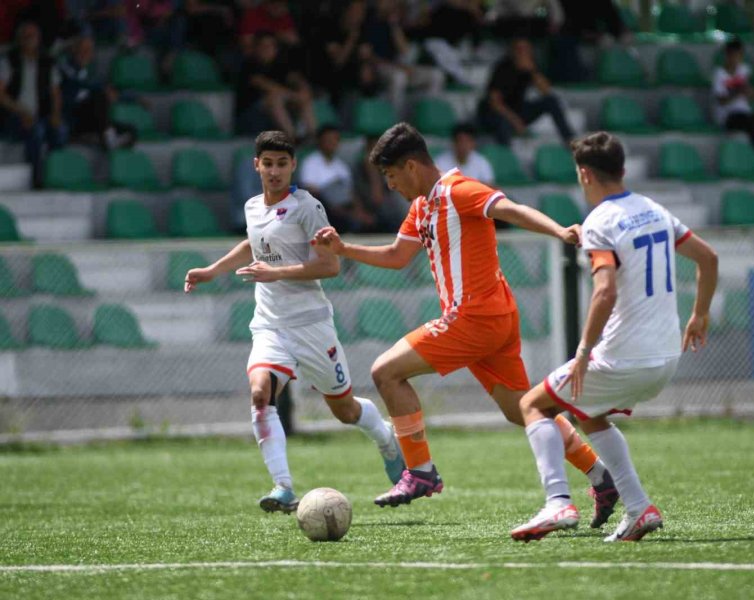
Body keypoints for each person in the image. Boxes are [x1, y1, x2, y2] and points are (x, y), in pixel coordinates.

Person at [313, 123, 621, 529]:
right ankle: (601, 475)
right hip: (493, 316)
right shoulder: (422, 207)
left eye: (390, 176)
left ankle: (420, 469)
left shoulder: (458, 190)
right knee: (522, 410)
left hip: (474, 317)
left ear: (410, 166)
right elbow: (395, 256)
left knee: (385, 372)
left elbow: (509, 208)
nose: (389, 186)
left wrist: (559, 231)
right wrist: (343, 248)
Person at [510, 131, 718, 543]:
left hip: (624, 356)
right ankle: (638, 508)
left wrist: (585, 349)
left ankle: (558, 502)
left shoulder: (600, 222)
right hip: (666, 356)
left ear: (585, 174)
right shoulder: (654, 209)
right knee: (588, 412)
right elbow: (708, 258)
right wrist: (700, 314)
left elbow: (605, 291)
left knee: (533, 405)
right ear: (622, 169)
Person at [184, 130, 405, 514]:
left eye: (282, 164)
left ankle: (386, 439)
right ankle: (283, 487)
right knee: (259, 394)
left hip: (312, 325)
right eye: (267, 164)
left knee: (345, 411)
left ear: (293, 166)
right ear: (256, 165)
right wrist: (212, 270)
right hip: (270, 325)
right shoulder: (254, 207)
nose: (274, 171)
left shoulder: (307, 207)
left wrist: (277, 272)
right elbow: (252, 243)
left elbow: (330, 265)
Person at [0, 21, 66, 186]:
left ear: (39, 39)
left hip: (41, 115)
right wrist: (21, 111)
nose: (29, 39)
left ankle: (56, 174)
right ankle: (37, 179)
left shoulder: (47, 61)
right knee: (36, 131)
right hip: (12, 116)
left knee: (60, 131)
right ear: (19, 39)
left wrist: (56, 115)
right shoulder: (9, 60)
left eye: (33, 35)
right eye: (26, 35)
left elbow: (55, 93)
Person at [477, 38, 574, 146]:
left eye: (526, 50)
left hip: (517, 108)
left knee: (551, 101)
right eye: (519, 49)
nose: (522, 53)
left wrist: (533, 71)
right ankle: (506, 155)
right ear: (512, 51)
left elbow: (546, 91)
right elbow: (495, 103)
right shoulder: (502, 68)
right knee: (502, 123)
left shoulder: (530, 66)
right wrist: (516, 121)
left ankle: (569, 139)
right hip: (496, 113)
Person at [363, 0, 444, 113]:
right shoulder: (369, 22)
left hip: (398, 65)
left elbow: (404, 50)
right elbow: (367, 56)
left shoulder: (394, 23)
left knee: (436, 75)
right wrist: (398, 66)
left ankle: (424, 116)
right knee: (399, 77)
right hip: (380, 66)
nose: (391, 4)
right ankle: (394, 122)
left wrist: (394, 25)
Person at [234, 31, 315, 144]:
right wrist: (294, 95)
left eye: (271, 46)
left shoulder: (280, 64)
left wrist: (303, 89)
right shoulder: (249, 64)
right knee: (274, 98)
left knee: (303, 97)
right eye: (264, 46)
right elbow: (267, 86)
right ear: (256, 48)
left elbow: (295, 78)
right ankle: (292, 137)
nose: (267, 49)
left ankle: (313, 135)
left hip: (278, 109)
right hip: (251, 113)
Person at [58, 34, 135, 149]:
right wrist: (103, 89)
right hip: (73, 117)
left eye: (89, 50)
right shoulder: (65, 67)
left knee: (130, 131)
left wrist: (136, 98)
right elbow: (79, 83)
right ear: (74, 50)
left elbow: (110, 91)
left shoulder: (90, 73)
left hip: (93, 118)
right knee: (99, 96)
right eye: (83, 50)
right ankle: (105, 139)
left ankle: (101, 139)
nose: (85, 54)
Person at [299, 125, 371, 233]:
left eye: (335, 140)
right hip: (323, 205)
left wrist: (359, 211)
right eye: (328, 140)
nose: (332, 143)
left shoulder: (341, 166)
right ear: (320, 141)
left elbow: (350, 192)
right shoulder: (311, 162)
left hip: (343, 205)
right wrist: (332, 202)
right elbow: (309, 188)